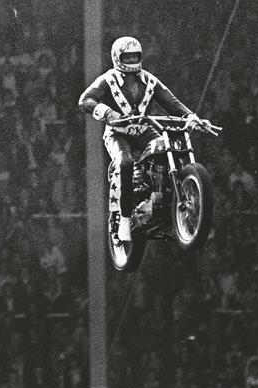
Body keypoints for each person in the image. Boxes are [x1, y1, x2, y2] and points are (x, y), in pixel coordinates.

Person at [78, 36, 202, 241]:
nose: (132, 60)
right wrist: (109, 113)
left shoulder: (150, 81)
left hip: (145, 131)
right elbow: (85, 100)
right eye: (128, 56)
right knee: (125, 162)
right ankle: (125, 219)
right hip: (118, 133)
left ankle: (162, 201)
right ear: (118, 58)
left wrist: (191, 116)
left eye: (135, 55)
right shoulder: (108, 79)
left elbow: (171, 102)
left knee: (167, 148)